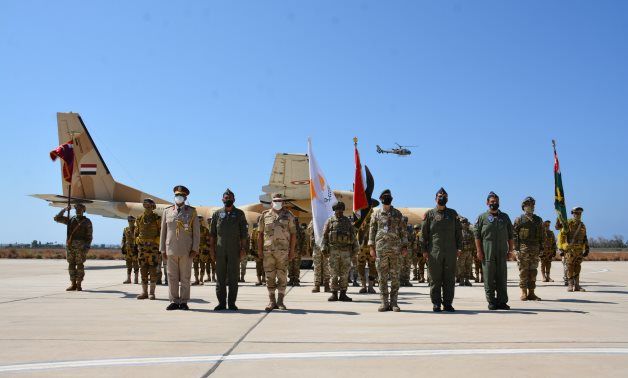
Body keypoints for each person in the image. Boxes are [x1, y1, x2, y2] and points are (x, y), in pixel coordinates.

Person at [420, 188, 462, 312]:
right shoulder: (429, 214)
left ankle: (448, 303)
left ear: (447, 199)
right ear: (435, 199)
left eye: (444, 196)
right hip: (434, 251)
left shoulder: (453, 214)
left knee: (449, 279)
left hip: (450, 251)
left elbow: (458, 232)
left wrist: (459, 247)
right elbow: (423, 234)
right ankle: (436, 303)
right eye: (439, 196)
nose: (442, 198)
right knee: (435, 279)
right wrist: (424, 250)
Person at [160, 185, 200, 311]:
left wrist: (195, 249)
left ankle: (183, 301)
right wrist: (162, 249)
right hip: (170, 249)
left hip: (186, 250)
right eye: (177, 195)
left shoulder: (191, 212)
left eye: (181, 196)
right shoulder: (167, 211)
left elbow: (196, 233)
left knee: (185, 277)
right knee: (171, 277)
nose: (179, 197)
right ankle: (173, 301)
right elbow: (163, 232)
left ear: (185, 198)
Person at [369, 189, 408, 312]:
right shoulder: (375, 214)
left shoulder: (397, 214)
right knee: (382, 277)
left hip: (395, 249)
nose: (387, 198)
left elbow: (403, 231)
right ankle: (384, 303)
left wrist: (405, 246)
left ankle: (394, 303)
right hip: (380, 250)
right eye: (385, 197)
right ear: (381, 199)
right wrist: (371, 247)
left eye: (389, 196)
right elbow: (372, 231)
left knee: (395, 276)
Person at [474, 192, 514, 311]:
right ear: (487, 203)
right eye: (492, 202)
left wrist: (511, 250)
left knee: (502, 277)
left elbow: (511, 236)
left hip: (502, 252)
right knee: (489, 278)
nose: (494, 203)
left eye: (496, 201)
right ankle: (491, 301)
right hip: (487, 251)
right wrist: (479, 251)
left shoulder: (505, 217)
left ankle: (502, 301)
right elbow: (477, 236)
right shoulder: (482, 218)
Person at [210, 189, 249, 311]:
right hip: (220, 250)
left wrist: (243, 249)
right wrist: (212, 250)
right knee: (220, 278)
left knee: (233, 278)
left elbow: (244, 234)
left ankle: (232, 303)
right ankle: (221, 303)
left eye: (230, 198)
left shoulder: (239, 214)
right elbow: (212, 234)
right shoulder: (217, 214)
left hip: (234, 250)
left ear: (234, 199)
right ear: (222, 200)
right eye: (226, 198)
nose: (228, 200)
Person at [258, 193, 296, 311]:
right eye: (275, 200)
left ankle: (280, 301)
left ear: (283, 202)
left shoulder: (289, 216)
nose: (278, 202)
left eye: (280, 200)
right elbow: (260, 234)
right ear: (271, 202)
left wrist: (292, 251)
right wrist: (259, 250)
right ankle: (271, 301)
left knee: (282, 276)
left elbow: (293, 234)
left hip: (283, 252)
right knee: (269, 276)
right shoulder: (264, 216)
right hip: (268, 251)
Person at [322, 201, 360, 302]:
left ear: (343, 210)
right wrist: (323, 249)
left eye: (340, 210)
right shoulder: (330, 221)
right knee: (333, 273)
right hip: (333, 251)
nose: (339, 212)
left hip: (345, 252)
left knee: (344, 273)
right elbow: (325, 236)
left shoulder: (348, 222)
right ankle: (334, 294)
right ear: (334, 210)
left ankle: (343, 294)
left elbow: (353, 237)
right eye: (337, 210)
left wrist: (355, 250)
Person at [54, 203, 93, 291]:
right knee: (71, 265)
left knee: (80, 265)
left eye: (80, 209)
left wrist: (86, 248)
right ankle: (73, 284)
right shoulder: (70, 219)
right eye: (76, 209)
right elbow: (57, 218)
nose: (78, 210)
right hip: (70, 246)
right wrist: (64, 210)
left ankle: (79, 284)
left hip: (81, 247)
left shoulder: (87, 222)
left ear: (83, 210)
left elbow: (89, 236)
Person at [513, 197, 545, 301]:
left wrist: (542, 247)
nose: (530, 207)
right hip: (523, 248)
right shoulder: (519, 220)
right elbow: (514, 235)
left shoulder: (538, 220)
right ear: (523, 207)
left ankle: (532, 293)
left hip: (535, 248)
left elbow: (542, 235)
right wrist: (516, 248)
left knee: (533, 271)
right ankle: (523, 292)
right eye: (528, 205)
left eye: (532, 205)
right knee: (523, 270)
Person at [558, 207, 590, 292]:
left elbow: (585, 237)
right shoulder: (568, 223)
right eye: (576, 213)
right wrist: (561, 249)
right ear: (572, 214)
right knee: (570, 267)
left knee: (577, 267)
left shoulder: (582, 225)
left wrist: (587, 248)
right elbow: (561, 236)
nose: (578, 215)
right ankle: (570, 284)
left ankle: (577, 285)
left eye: (579, 213)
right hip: (570, 250)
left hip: (579, 250)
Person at [135, 198, 161, 300]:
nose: (147, 207)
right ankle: (144, 292)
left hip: (153, 248)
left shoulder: (157, 218)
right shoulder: (139, 218)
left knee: (153, 270)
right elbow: (136, 232)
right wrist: (137, 239)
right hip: (142, 248)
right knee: (143, 270)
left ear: (152, 207)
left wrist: (158, 242)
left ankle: (152, 293)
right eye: (145, 205)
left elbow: (161, 232)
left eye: (149, 206)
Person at [356, 210, 377, 294]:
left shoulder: (375, 220)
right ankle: (363, 286)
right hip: (361, 248)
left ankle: (371, 286)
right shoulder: (358, 219)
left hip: (372, 248)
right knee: (360, 267)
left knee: (373, 267)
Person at [309, 220, 331, 293]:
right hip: (317, 245)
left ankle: (326, 284)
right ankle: (317, 284)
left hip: (326, 245)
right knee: (317, 266)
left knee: (326, 265)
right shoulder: (314, 219)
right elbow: (309, 231)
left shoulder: (329, 219)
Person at [457, 217, 475, 287]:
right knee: (461, 266)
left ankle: (467, 280)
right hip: (462, 252)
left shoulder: (470, 232)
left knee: (468, 266)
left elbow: (473, 242)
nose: (464, 224)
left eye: (465, 222)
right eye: (463, 222)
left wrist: (473, 251)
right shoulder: (458, 232)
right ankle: (461, 280)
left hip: (469, 252)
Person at [193, 216, 211, 286]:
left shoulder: (205, 230)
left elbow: (208, 241)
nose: (199, 223)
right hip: (195, 250)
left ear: (201, 222)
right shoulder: (192, 230)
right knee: (195, 265)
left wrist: (206, 249)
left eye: (200, 221)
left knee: (202, 265)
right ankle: (196, 280)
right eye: (198, 221)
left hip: (203, 251)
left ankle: (201, 279)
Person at [121, 216, 139, 284]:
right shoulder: (126, 229)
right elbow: (123, 238)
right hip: (128, 249)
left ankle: (136, 278)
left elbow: (138, 238)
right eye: (129, 221)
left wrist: (137, 248)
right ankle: (128, 278)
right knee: (128, 264)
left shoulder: (137, 229)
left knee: (135, 264)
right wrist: (122, 246)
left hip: (135, 249)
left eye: (132, 221)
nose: (130, 222)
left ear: (134, 221)